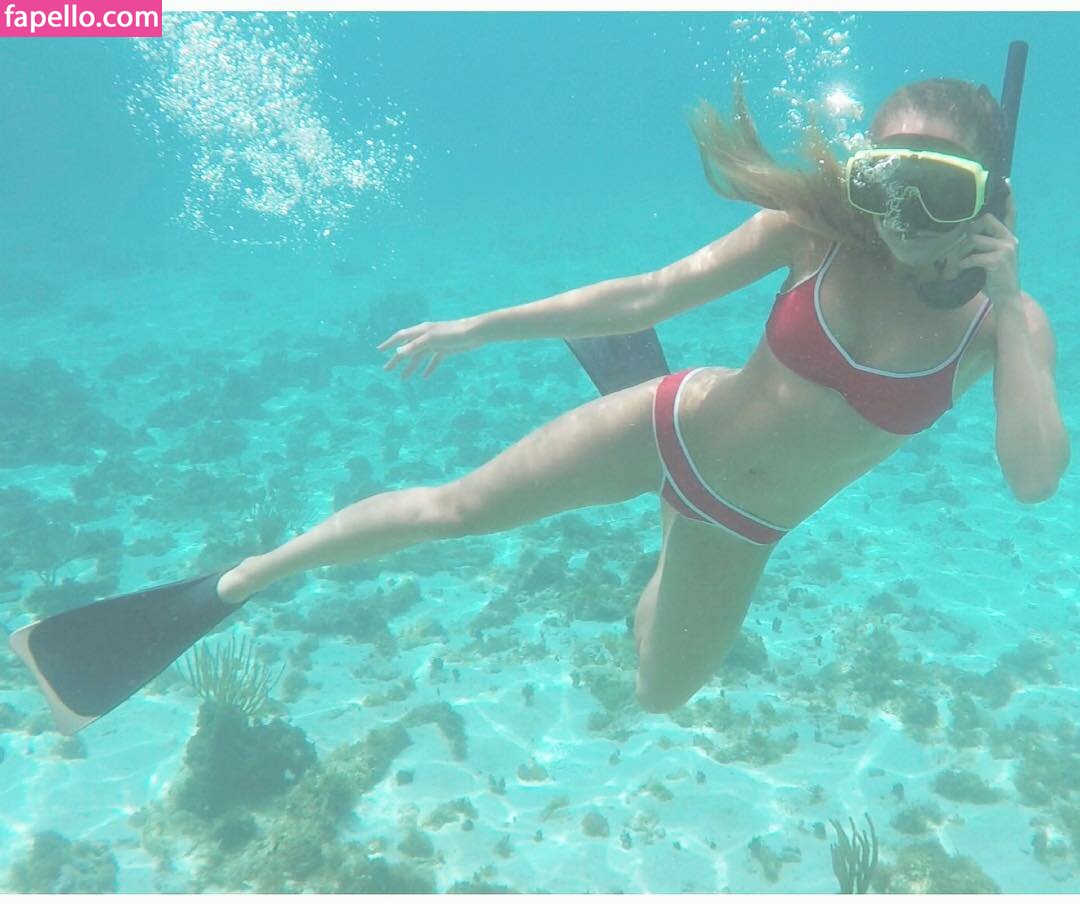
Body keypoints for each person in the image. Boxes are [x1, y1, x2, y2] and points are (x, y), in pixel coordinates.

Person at [12, 75, 1069, 734]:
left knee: (661, 694)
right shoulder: (817, 235)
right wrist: (480, 327)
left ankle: (670, 528)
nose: (899, 216)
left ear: (992, 200)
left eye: (938, 191)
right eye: (881, 181)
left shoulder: (1002, 329)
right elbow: (646, 294)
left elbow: (1031, 479)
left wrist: (1014, 301)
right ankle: (229, 586)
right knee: (454, 509)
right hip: (668, 423)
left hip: (741, 521)